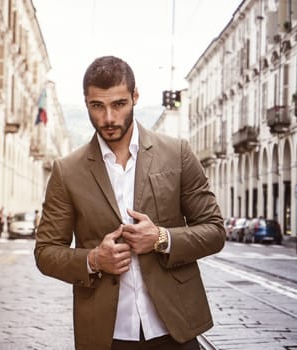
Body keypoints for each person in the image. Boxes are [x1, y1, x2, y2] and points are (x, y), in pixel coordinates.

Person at [34, 56, 226, 350]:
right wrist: (94, 260)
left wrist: (161, 238)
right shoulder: (67, 171)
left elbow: (214, 231)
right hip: (106, 334)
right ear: (86, 103)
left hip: (175, 330)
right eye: (97, 106)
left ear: (135, 97)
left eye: (119, 104)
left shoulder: (177, 154)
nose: (109, 118)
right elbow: (46, 252)